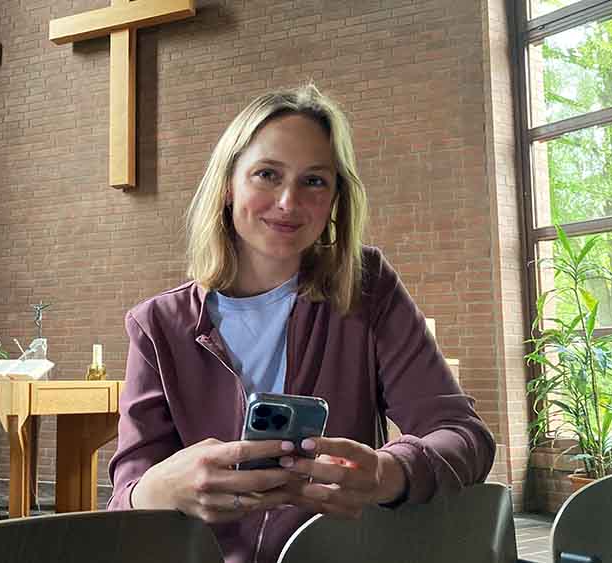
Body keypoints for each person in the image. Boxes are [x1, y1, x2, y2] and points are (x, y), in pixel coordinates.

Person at [107, 85, 496, 563]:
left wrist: (385, 473)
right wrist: (161, 489)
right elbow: (126, 495)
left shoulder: (366, 288)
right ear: (229, 185)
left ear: (336, 199)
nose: (289, 202)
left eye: (314, 181)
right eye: (267, 174)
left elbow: (462, 434)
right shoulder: (158, 325)